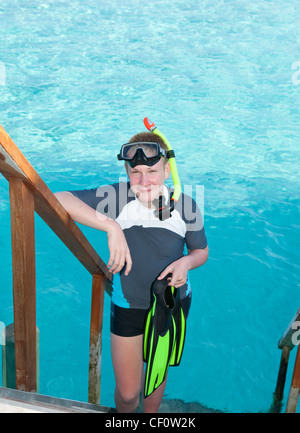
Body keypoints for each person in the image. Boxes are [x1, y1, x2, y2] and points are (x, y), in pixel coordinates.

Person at [55, 130, 208, 413]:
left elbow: (201, 251)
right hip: (128, 305)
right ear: (126, 171)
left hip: (171, 304)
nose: (144, 180)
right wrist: (111, 226)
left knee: (153, 383)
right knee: (128, 395)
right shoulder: (116, 197)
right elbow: (59, 198)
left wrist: (185, 263)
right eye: (135, 172)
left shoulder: (186, 206)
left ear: (166, 169)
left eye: (152, 170)